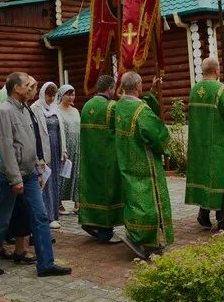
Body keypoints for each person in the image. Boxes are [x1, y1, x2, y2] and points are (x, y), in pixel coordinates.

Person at [0, 72, 71, 277]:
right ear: (16, 88)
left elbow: (32, 142)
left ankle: (46, 264)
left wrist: (38, 170)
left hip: (29, 174)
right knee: (2, 219)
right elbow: (6, 147)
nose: (31, 88)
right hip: (12, 175)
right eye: (27, 85)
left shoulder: (25, 109)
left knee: (41, 216)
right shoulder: (4, 111)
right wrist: (15, 178)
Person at [113, 72, 173, 259]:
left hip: (126, 160)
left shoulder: (119, 105)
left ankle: (143, 238)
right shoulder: (141, 111)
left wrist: (153, 91)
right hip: (144, 163)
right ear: (138, 86)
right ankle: (142, 241)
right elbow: (156, 135)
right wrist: (165, 141)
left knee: (133, 200)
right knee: (150, 203)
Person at [186, 57, 224, 230]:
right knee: (222, 179)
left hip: (199, 144)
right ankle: (222, 219)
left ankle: (203, 215)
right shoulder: (221, 90)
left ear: (203, 71)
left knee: (206, 178)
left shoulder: (194, 90)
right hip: (218, 145)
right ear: (217, 70)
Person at [78, 75, 122, 244]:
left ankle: (90, 222)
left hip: (89, 158)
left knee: (92, 191)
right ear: (110, 88)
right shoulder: (111, 107)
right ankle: (105, 233)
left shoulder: (87, 105)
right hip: (107, 160)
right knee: (107, 193)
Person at [31, 81, 65, 228]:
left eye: (53, 95)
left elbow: (61, 129)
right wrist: (38, 156)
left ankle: (55, 213)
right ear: (42, 94)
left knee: (55, 181)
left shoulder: (55, 109)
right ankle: (48, 216)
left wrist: (63, 150)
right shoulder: (35, 108)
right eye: (48, 95)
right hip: (44, 150)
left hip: (56, 149)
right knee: (46, 182)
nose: (51, 99)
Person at [57, 84, 80, 214]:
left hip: (77, 146)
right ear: (62, 95)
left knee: (77, 174)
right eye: (68, 94)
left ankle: (77, 201)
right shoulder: (57, 110)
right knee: (63, 174)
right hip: (65, 147)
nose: (71, 97)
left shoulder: (76, 111)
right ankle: (59, 202)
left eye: (73, 94)